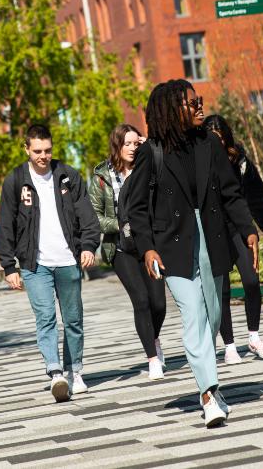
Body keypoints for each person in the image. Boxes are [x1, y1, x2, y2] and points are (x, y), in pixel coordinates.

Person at [125, 80, 258, 428]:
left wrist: (248, 230)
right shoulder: (151, 152)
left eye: (199, 100)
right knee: (194, 314)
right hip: (173, 245)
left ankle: (209, 382)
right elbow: (136, 208)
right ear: (172, 110)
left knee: (213, 314)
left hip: (212, 238)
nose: (200, 107)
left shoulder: (210, 144)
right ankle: (209, 393)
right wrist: (147, 248)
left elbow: (230, 193)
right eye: (191, 103)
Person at [0, 123, 101, 402]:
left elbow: (87, 215)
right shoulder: (15, 180)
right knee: (45, 318)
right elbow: (6, 224)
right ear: (27, 149)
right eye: (37, 151)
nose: (43, 156)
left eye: (47, 150)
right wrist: (9, 266)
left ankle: (74, 371)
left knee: (73, 319)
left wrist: (89, 246)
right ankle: (55, 372)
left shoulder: (68, 176)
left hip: (68, 259)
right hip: (35, 263)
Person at [88, 123, 167, 380]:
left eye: (136, 143)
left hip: (149, 246)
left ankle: (153, 337)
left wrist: (151, 148)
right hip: (120, 248)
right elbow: (94, 216)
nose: (132, 148)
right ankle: (152, 358)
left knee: (159, 303)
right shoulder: (102, 177)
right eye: (127, 144)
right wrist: (121, 224)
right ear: (117, 146)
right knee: (141, 301)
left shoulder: (149, 168)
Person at [202, 114, 263, 364]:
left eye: (220, 137)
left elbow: (256, 194)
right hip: (213, 230)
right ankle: (229, 346)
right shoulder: (199, 160)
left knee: (251, 280)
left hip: (238, 228)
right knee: (221, 290)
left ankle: (254, 337)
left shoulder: (239, 159)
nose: (217, 142)